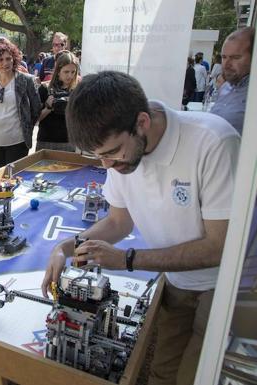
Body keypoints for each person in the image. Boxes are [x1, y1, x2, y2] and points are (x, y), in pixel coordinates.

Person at [40, 71, 240, 385]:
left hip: (225, 288)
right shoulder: (122, 153)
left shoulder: (213, 142)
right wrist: (64, 248)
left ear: (142, 122)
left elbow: (220, 247)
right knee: (162, 374)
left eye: (112, 152)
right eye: (99, 156)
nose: (107, 165)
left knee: (196, 376)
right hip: (177, 282)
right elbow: (119, 222)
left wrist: (127, 260)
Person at [0, 40, 41, 170]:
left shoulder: (26, 80)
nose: (5, 63)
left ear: (14, 59)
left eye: (8, 59)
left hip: (17, 141)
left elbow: (36, 109)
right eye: (0, 60)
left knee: (14, 178)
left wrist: (26, 126)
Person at [210, 27, 253, 136]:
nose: (226, 64)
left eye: (235, 57)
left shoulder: (252, 94)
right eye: (224, 57)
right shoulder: (225, 87)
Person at [36, 51, 79, 152]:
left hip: (69, 142)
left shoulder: (77, 91)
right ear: (58, 71)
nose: (70, 76)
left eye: (73, 72)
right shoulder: (45, 88)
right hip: (46, 141)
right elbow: (36, 119)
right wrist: (49, 108)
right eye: (66, 72)